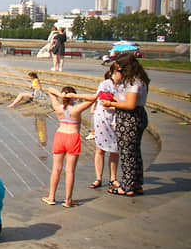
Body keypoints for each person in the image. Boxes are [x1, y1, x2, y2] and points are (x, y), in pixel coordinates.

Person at [67, 64, 123, 190]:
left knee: (115, 150)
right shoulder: (105, 84)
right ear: (114, 71)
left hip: (117, 119)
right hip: (103, 118)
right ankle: (98, 178)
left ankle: (113, 178)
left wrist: (118, 104)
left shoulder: (125, 85)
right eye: (120, 71)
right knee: (100, 149)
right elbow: (104, 102)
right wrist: (121, 105)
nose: (123, 73)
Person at [101, 53, 149, 196]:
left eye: (120, 70)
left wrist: (111, 103)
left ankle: (127, 187)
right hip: (137, 117)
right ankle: (137, 183)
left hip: (130, 118)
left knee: (127, 153)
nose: (119, 72)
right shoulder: (141, 79)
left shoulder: (133, 82)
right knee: (135, 152)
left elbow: (130, 104)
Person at [42, 86, 93, 207]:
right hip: (72, 137)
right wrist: (75, 96)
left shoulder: (58, 108)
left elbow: (50, 90)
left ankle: (51, 197)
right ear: (72, 97)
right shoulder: (76, 109)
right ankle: (68, 200)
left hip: (60, 136)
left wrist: (60, 95)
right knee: (70, 171)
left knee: (56, 169)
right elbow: (94, 97)